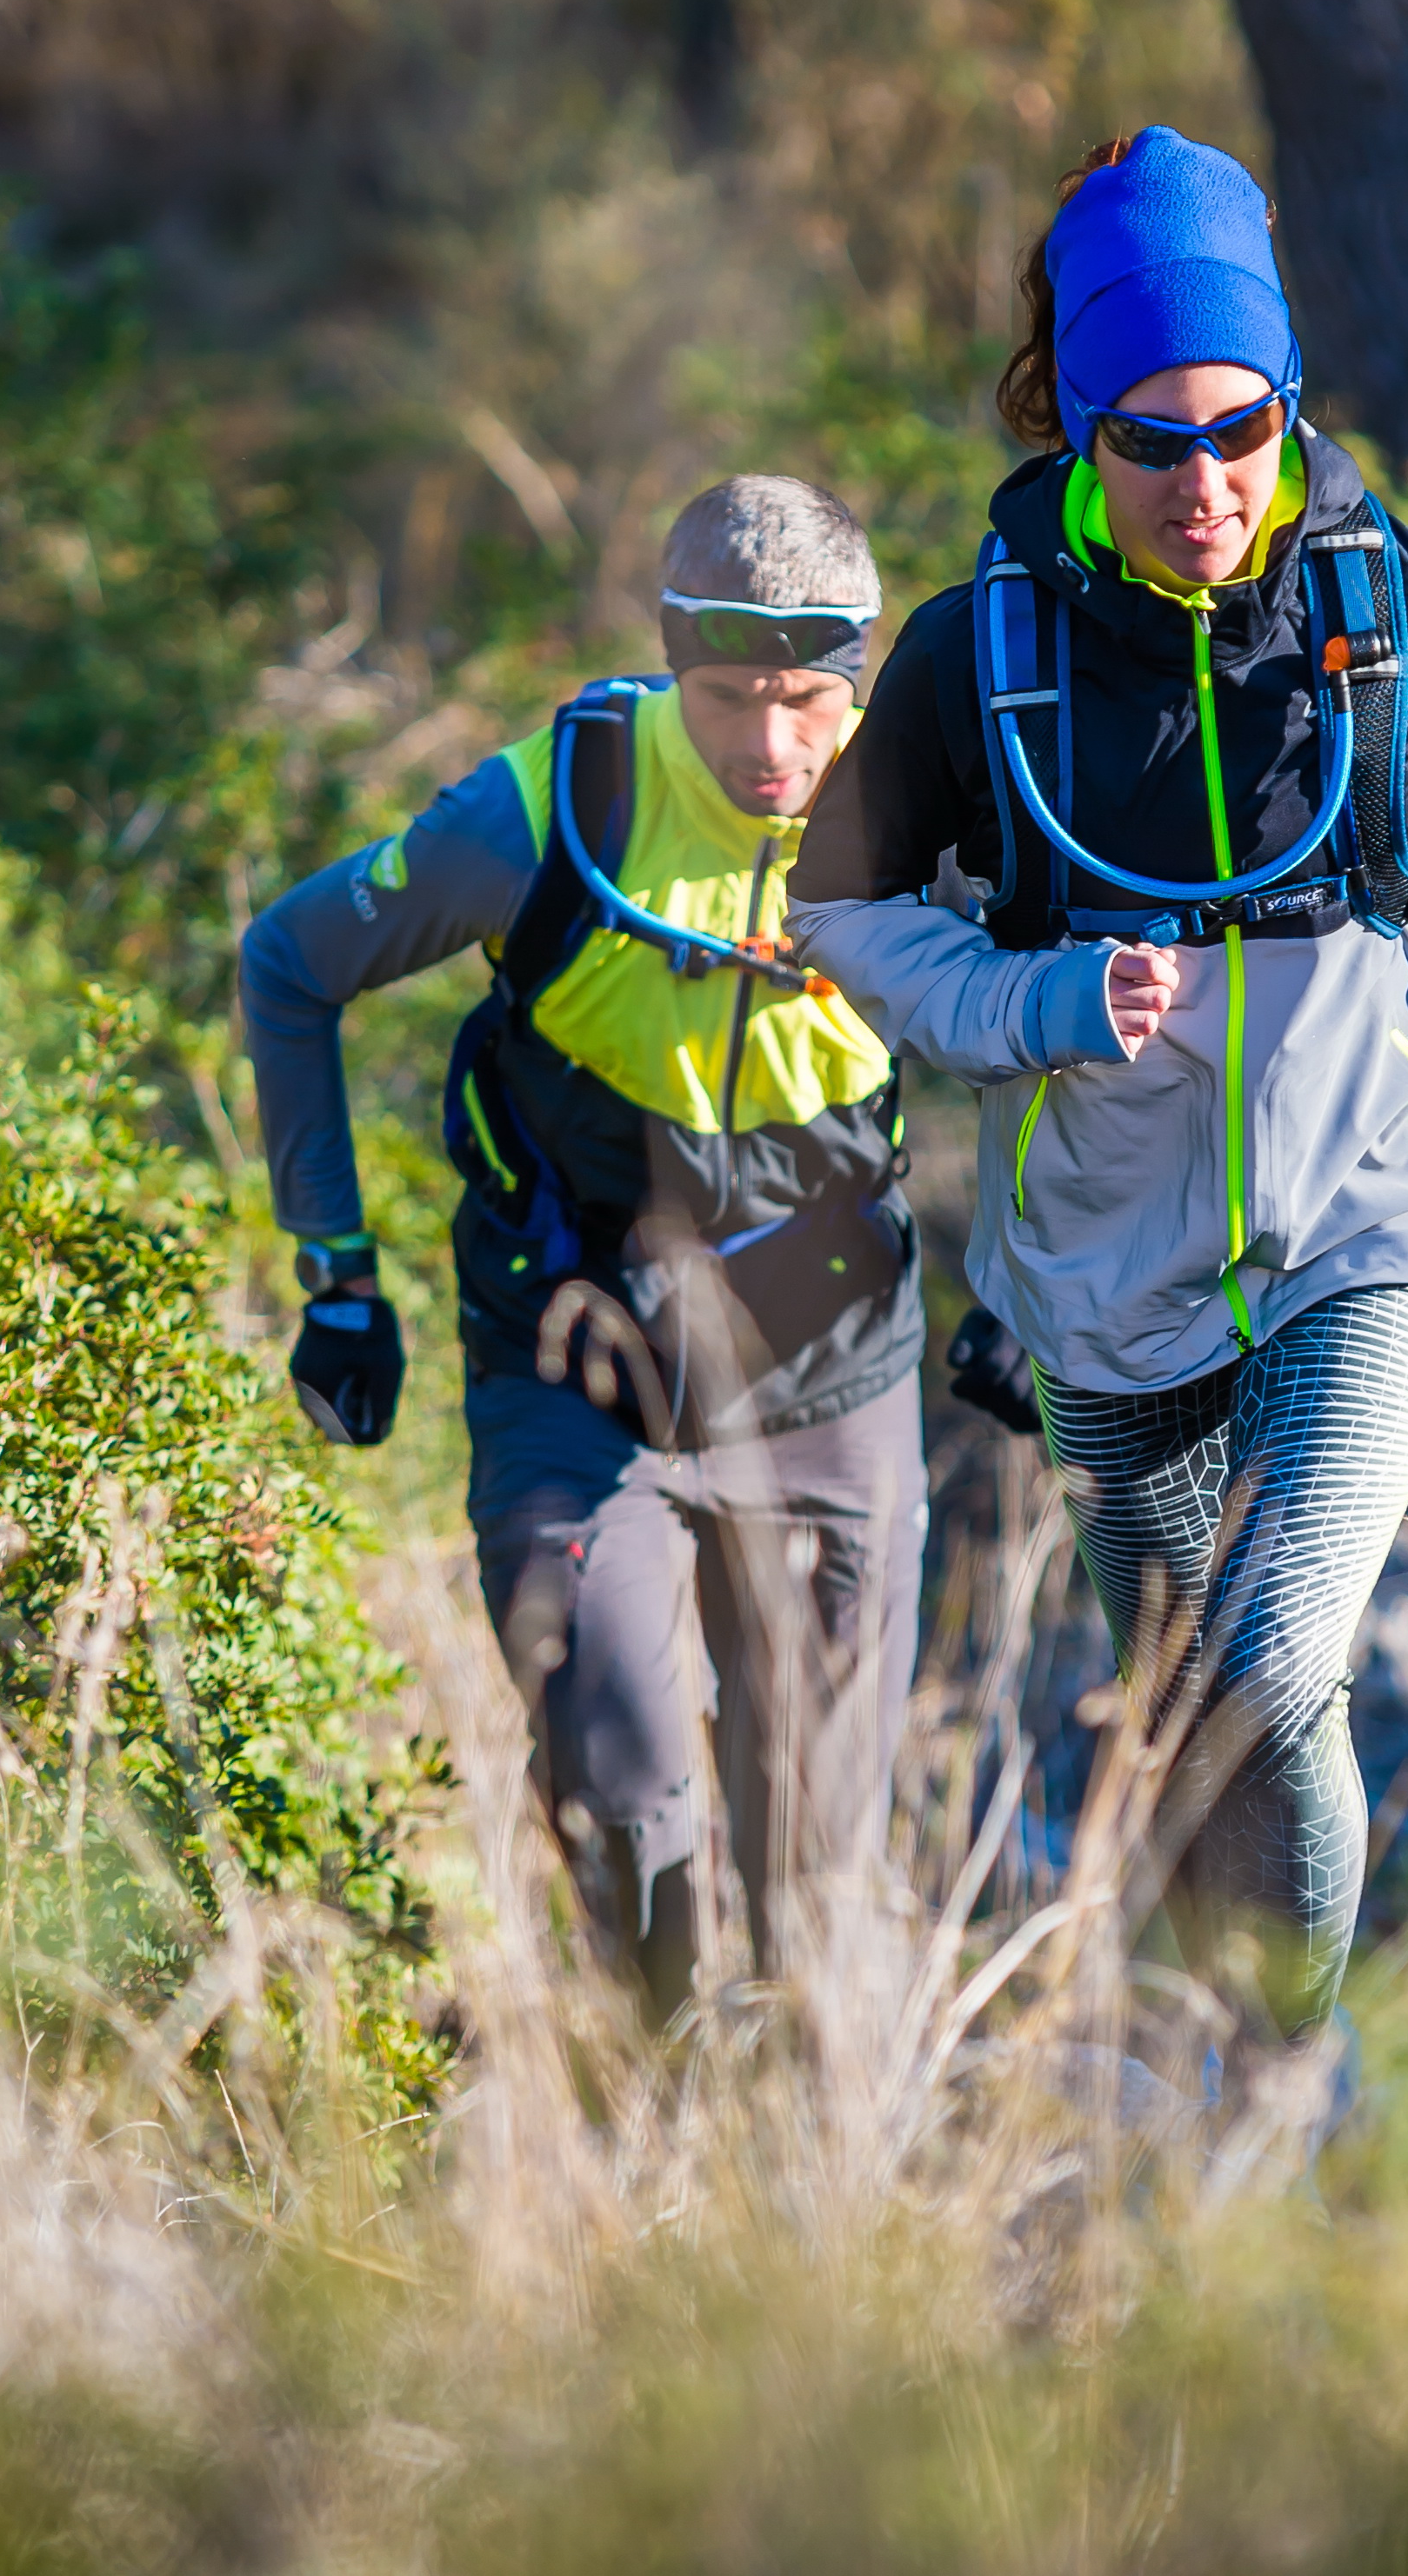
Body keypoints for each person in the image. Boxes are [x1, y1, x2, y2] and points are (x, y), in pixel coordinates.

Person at [787, 128, 1408, 2039]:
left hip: (1380, 1202)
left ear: (1288, 401)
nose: (1205, 484)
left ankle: (1290, 2098)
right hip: (1103, 1265)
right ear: (1073, 429)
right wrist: (1027, 1001)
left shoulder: (1396, 601)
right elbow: (837, 908)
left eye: (1242, 428)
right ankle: (1206, 2095)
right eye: (1152, 441)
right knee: (1182, 1714)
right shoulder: (975, 660)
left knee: (1271, 1666)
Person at [241, 476, 927, 2018]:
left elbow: (1069, 1037)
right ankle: (655, 2139)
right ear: (673, 662)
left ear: (859, 681)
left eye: (810, 700)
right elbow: (290, 962)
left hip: (830, 1375)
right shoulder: (552, 809)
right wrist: (335, 1276)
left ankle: (827, 2201)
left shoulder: (926, 799)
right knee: (626, 1814)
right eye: (730, 698)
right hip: (576, 1363)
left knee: (818, 1870)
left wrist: (1032, 1287)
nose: (770, 746)